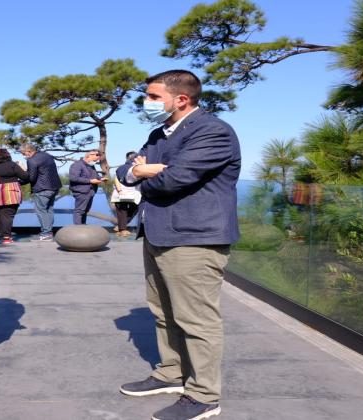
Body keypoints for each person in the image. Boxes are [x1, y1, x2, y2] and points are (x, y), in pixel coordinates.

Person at [116, 70, 241, 420]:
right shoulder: (159, 133)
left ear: (181, 99)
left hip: (194, 238)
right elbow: (124, 171)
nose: (147, 103)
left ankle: (204, 395)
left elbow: (175, 179)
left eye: (154, 97)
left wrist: (146, 173)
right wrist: (142, 170)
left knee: (196, 318)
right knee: (163, 311)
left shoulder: (213, 131)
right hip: (158, 233)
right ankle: (171, 373)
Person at [0, 148, 29, 244]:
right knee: (7, 216)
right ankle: (6, 237)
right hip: (10, 193)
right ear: (7, 155)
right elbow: (25, 177)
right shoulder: (12, 165)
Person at [19, 143, 62, 241]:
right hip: (54, 187)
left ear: (29, 151)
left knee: (41, 210)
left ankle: (46, 233)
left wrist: (18, 181)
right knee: (49, 209)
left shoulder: (31, 160)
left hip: (42, 188)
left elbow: (31, 177)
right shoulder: (47, 155)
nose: (23, 156)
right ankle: (48, 232)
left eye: (23, 153)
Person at [68, 150, 107, 224]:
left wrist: (100, 179)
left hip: (91, 192)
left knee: (85, 210)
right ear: (89, 156)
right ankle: (78, 230)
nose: (97, 160)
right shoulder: (77, 165)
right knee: (79, 211)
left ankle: (83, 227)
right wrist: (90, 181)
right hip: (81, 192)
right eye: (96, 158)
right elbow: (73, 178)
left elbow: (95, 175)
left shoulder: (91, 166)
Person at [111, 151, 141, 236]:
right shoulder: (134, 167)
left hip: (127, 192)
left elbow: (116, 179)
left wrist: (120, 191)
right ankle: (122, 230)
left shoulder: (121, 168)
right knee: (124, 210)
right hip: (127, 192)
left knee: (125, 210)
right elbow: (117, 179)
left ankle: (121, 226)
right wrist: (120, 191)